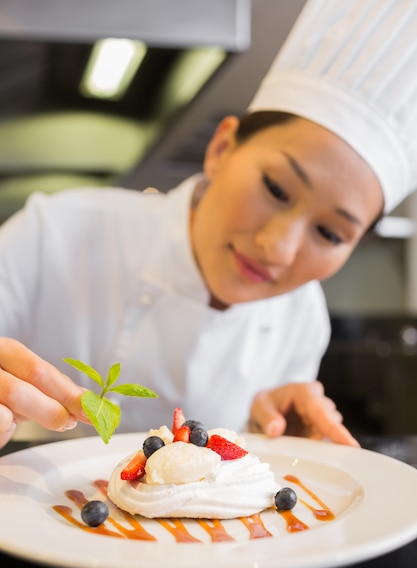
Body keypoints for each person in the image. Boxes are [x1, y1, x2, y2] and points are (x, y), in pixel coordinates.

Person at [0, 0, 416, 451]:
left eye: (331, 234)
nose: (277, 247)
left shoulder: (303, 317)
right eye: (276, 188)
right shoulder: (55, 232)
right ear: (221, 148)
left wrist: (276, 440)